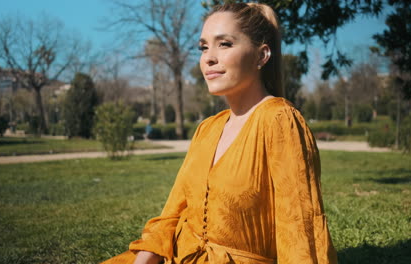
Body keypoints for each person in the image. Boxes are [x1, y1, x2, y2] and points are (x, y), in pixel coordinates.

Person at [102, 2, 337, 264]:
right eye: (203, 47)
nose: (208, 58)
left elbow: (299, 229)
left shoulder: (280, 121)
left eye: (224, 44)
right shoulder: (208, 128)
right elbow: (172, 213)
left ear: (262, 55)